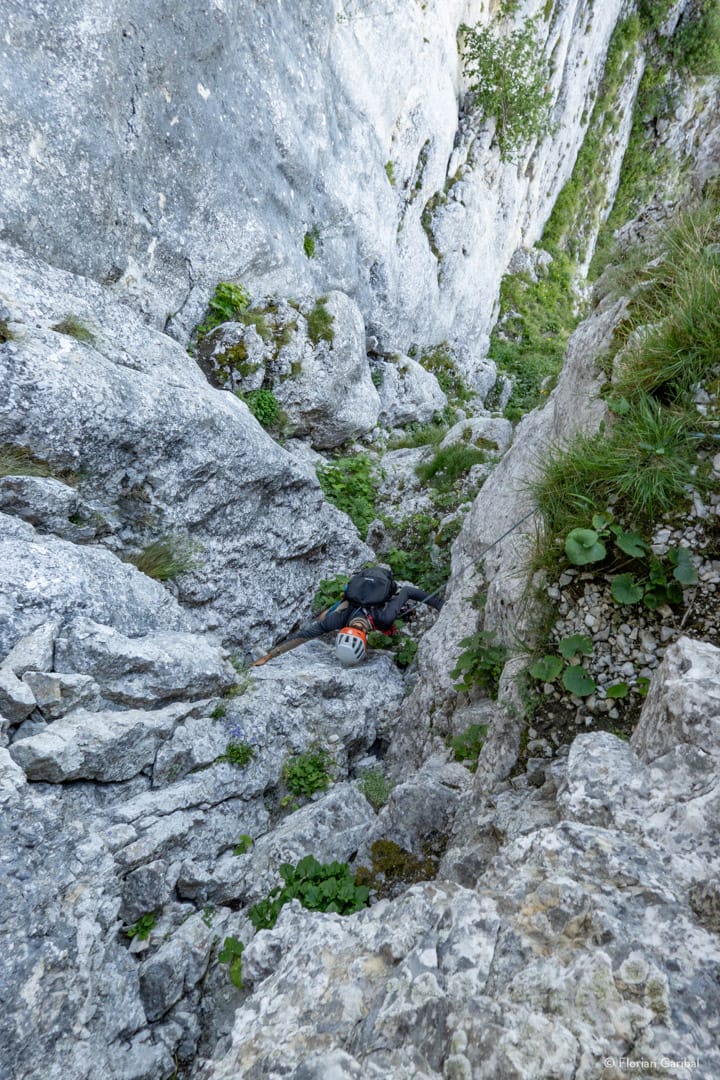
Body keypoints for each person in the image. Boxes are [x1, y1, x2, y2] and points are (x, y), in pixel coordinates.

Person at [252, 566, 443, 667]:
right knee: (323, 621)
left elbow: (305, 636)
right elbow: (305, 635)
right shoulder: (343, 620)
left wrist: (271, 655)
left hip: (380, 580)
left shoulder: (380, 619)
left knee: (322, 621)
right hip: (363, 585)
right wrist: (270, 655)